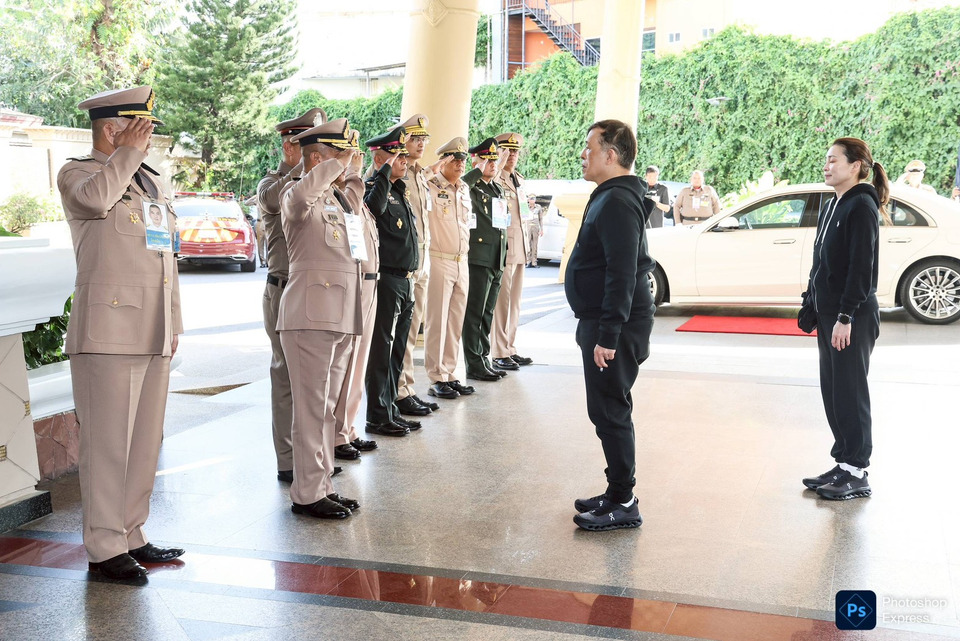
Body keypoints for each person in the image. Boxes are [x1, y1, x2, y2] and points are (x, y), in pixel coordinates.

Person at [58, 85, 185, 580]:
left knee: (144, 442)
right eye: (141, 130)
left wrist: (173, 320)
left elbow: (165, 256)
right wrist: (127, 154)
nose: (148, 139)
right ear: (112, 130)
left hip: (152, 328)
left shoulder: (148, 183)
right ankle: (105, 546)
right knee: (108, 444)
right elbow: (95, 202)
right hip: (108, 330)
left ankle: (132, 532)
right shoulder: (80, 174)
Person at [564, 119, 655, 532]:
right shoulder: (612, 195)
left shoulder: (617, 200)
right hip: (603, 319)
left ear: (611, 155)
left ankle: (623, 501)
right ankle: (617, 491)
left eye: (590, 147)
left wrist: (608, 335)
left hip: (614, 324)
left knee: (610, 410)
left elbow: (622, 272)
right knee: (604, 409)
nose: (583, 154)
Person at [278, 118, 363, 520]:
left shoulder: (334, 197)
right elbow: (298, 203)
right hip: (309, 316)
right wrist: (330, 167)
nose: (346, 161)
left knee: (327, 408)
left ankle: (323, 483)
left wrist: (350, 171)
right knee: (311, 409)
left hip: (339, 314)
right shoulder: (297, 193)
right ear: (317, 159)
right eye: (338, 154)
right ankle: (307, 492)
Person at [801, 137, 887, 501]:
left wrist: (845, 315)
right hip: (829, 314)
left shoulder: (861, 205)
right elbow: (822, 260)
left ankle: (857, 470)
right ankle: (843, 463)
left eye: (833, 160)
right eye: (826, 159)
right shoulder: (832, 204)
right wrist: (811, 301)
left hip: (851, 317)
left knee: (851, 392)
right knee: (834, 391)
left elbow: (861, 268)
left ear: (855, 166)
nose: (826, 165)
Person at [257, 107, 326, 485]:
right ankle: (287, 460)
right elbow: (277, 200)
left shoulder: (318, 186)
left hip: (314, 293)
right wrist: (303, 168)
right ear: (289, 147)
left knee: (314, 381)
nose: (318, 155)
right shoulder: (273, 183)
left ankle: (312, 457)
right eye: (309, 146)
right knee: (285, 378)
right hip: (283, 289)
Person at [363, 125, 422, 436]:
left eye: (403, 155)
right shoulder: (375, 187)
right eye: (397, 156)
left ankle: (391, 409)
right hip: (387, 280)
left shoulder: (401, 189)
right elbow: (373, 209)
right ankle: (377, 415)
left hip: (406, 280)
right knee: (381, 351)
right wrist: (384, 172)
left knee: (397, 350)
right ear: (380, 159)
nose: (404, 160)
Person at [332, 129, 381, 462]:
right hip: (353, 283)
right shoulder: (340, 195)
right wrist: (350, 175)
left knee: (358, 362)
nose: (357, 159)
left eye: (357, 154)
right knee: (345, 365)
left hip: (369, 283)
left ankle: (348, 428)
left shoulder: (354, 194)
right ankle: (337, 434)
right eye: (350, 153)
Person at [421, 137, 474, 399]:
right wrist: (430, 170)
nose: (460, 164)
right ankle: (436, 376)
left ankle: (451, 373)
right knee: (438, 321)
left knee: (455, 323)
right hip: (439, 259)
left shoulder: (464, 188)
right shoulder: (430, 186)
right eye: (454, 159)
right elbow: (413, 182)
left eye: (463, 159)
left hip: (461, 260)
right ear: (443, 162)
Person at [395, 114, 438, 417]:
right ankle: (400, 391)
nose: (421, 144)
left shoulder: (420, 174)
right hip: (405, 262)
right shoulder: (396, 172)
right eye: (415, 139)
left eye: (424, 139)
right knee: (401, 332)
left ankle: (408, 388)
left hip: (423, 261)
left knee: (412, 331)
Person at [462, 137, 508, 382]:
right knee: (475, 313)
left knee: (487, 313)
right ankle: (474, 362)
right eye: (487, 159)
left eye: (494, 159)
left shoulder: (496, 189)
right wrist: (476, 172)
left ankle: (484, 358)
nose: (492, 164)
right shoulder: (471, 186)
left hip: (496, 257)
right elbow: (459, 186)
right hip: (479, 257)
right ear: (475, 161)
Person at [491, 132, 533, 371]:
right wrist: (498, 164)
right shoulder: (497, 177)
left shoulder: (518, 179)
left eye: (515, 151)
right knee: (502, 302)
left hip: (521, 248)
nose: (512, 156)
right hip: (505, 248)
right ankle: (499, 351)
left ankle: (510, 347)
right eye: (507, 151)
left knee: (514, 303)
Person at [524, 194, 544, 267]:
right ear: (528, 200)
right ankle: (528, 261)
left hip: (535, 227)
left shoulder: (538, 207)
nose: (532, 200)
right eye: (530, 199)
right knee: (528, 244)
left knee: (535, 245)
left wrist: (542, 229)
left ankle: (534, 262)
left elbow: (541, 218)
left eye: (533, 199)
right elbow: (522, 217)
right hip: (527, 227)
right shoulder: (525, 207)